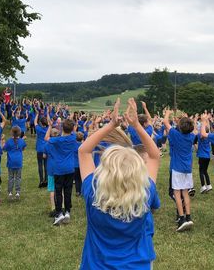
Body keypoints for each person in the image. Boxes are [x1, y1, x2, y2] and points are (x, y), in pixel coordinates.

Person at [78, 98, 160, 269]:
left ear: (104, 168)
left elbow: (84, 151)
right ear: (138, 171)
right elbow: (154, 156)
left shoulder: (92, 192)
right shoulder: (145, 193)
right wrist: (137, 125)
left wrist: (110, 125)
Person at [163, 109, 195, 231]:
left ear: (180, 127)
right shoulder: (192, 136)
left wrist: (167, 113)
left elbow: (165, 122)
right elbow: (189, 127)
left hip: (177, 168)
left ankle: (181, 218)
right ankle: (188, 216)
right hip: (187, 169)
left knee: (177, 194)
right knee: (185, 193)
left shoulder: (176, 135)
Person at [45, 117, 78, 225]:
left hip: (59, 169)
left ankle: (59, 213)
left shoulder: (58, 140)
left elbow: (46, 138)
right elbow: (73, 130)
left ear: (62, 128)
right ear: (72, 129)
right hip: (70, 168)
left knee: (58, 191)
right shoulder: (73, 137)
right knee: (68, 191)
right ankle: (67, 211)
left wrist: (50, 126)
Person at [3, 126, 27, 199]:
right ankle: (17, 192)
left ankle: (10, 192)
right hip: (18, 162)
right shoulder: (22, 141)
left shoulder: (9, 141)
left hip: (11, 162)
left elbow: (4, 149)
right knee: (18, 177)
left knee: (11, 177)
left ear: (12, 133)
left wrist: (3, 141)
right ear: (19, 133)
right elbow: (23, 148)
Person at [34, 112, 48, 188]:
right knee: (46, 165)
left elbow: (35, 122)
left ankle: (41, 180)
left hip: (39, 149)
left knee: (40, 165)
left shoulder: (39, 129)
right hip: (46, 149)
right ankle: (46, 180)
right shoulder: (48, 129)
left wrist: (37, 114)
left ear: (41, 123)